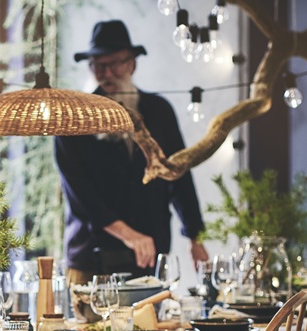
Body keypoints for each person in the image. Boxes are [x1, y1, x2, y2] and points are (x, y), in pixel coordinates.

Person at [55, 20, 208, 289]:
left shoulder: (160, 111)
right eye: (99, 66)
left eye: (116, 63)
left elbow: (179, 176)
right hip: (92, 260)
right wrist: (130, 236)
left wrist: (195, 237)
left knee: (152, 330)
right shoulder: (73, 121)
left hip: (151, 256)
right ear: (91, 68)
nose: (108, 73)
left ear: (132, 64)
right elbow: (81, 195)